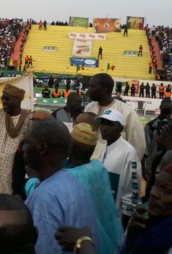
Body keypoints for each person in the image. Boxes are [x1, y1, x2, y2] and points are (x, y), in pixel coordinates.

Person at [23, 118, 99, 254]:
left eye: (27, 143)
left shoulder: (45, 197)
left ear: (42, 148)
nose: (23, 148)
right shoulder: (73, 183)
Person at [67, 123, 124, 254]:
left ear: (70, 149)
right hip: (109, 240)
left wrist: (32, 180)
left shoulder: (70, 177)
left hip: (86, 243)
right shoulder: (98, 168)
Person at [96, 109, 142, 229]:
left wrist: (122, 227)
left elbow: (132, 194)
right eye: (103, 123)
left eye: (111, 124)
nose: (104, 128)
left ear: (121, 129)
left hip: (116, 221)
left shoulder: (129, 153)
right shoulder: (104, 147)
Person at [85, 73, 146, 161]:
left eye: (92, 86)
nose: (89, 90)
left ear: (104, 89)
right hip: (90, 167)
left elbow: (137, 143)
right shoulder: (89, 107)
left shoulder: (126, 111)